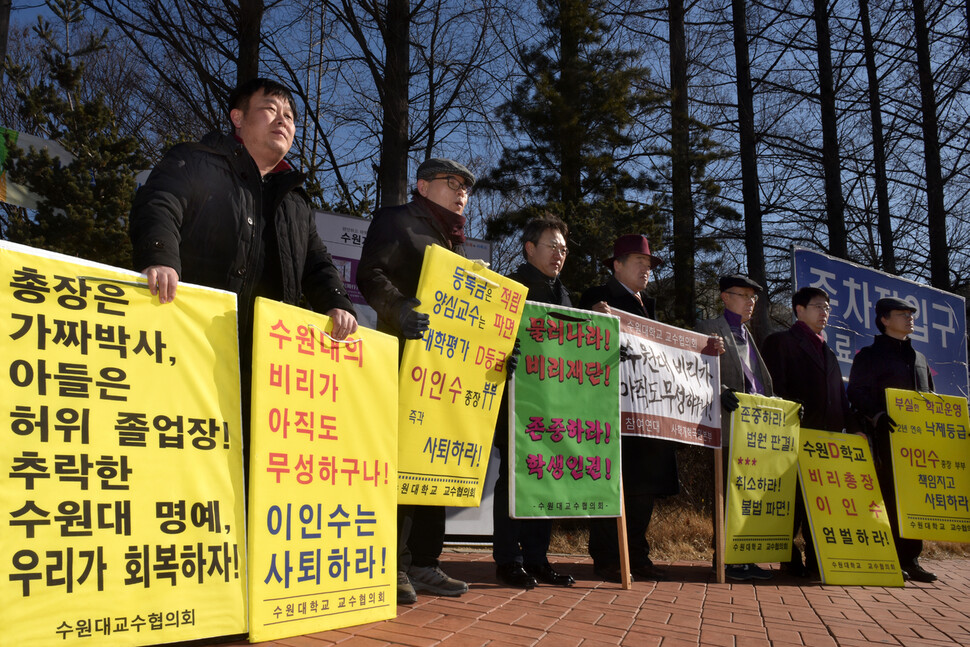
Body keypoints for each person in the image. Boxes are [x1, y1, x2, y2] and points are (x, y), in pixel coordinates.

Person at [129, 77, 357, 442]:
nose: (283, 120)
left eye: (290, 116)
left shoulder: (295, 202)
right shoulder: (195, 161)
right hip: (191, 348)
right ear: (238, 117)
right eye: (270, 109)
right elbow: (159, 204)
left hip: (268, 367)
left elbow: (317, 263)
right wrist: (160, 255)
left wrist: (336, 303)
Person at [357, 157, 476, 604]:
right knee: (404, 465)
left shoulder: (453, 243)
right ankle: (394, 565)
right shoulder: (397, 221)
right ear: (423, 186)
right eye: (453, 183)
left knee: (435, 468)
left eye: (466, 186)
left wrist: (497, 344)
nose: (462, 191)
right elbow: (369, 275)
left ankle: (426, 562)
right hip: (403, 359)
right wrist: (400, 308)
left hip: (444, 375)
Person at [579, 234, 674, 583]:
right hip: (611, 410)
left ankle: (637, 555)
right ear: (616, 265)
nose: (646, 271)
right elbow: (577, 339)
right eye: (639, 263)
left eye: (649, 265)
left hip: (647, 410)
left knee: (643, 489)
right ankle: (606, 558)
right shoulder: (597, 298)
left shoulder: (650, 305)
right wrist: (592, 318)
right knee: (611, 486)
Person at [492, 213, 576, 590]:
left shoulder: (564, 293)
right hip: (516, 401)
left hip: (553, 404)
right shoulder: (510, 288)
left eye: (563, 248)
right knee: (513, 479)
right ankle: (508, 560)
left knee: (545, 478)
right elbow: (490, 337)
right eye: (551, 246)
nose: (559, 254)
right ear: (529, 249)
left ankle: (538, 558)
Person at [762, 287, 860, 578]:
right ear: (799, 309)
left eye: (827, 308)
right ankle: (788, 557)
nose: (824, 313)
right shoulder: (780, 342)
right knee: (790, 501)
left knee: (820, 503)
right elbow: (772, 388)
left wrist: (853, 427)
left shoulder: (828, 351)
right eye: (818, 307)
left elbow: (840, 398)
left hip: (826, 440)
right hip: (793, 435)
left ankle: (820, 559)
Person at [847, 297, 937, 583]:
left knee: (913, 499)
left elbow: (930, 400)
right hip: (883, 439)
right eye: (902, 314)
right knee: (885, 496)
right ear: (884, 319)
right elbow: (857, 393)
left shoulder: (919, 358)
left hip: (917, 444)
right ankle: (886, 557)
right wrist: (878, 416)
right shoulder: (869, 355)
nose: (910, 318)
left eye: (911, 314)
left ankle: (911, 558)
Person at [696, 274, 774, 581]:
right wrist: (721, 390)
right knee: (727, 495)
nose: (750, 302)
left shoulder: (746, 334)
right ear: (725, 297)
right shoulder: (708, 328)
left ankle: (745, 557)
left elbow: (757, 380)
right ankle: (725, 560)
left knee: (749, 497)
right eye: (743, 296)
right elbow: (695, 370)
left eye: (753, 297)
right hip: (727, 427)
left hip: (755, 429)